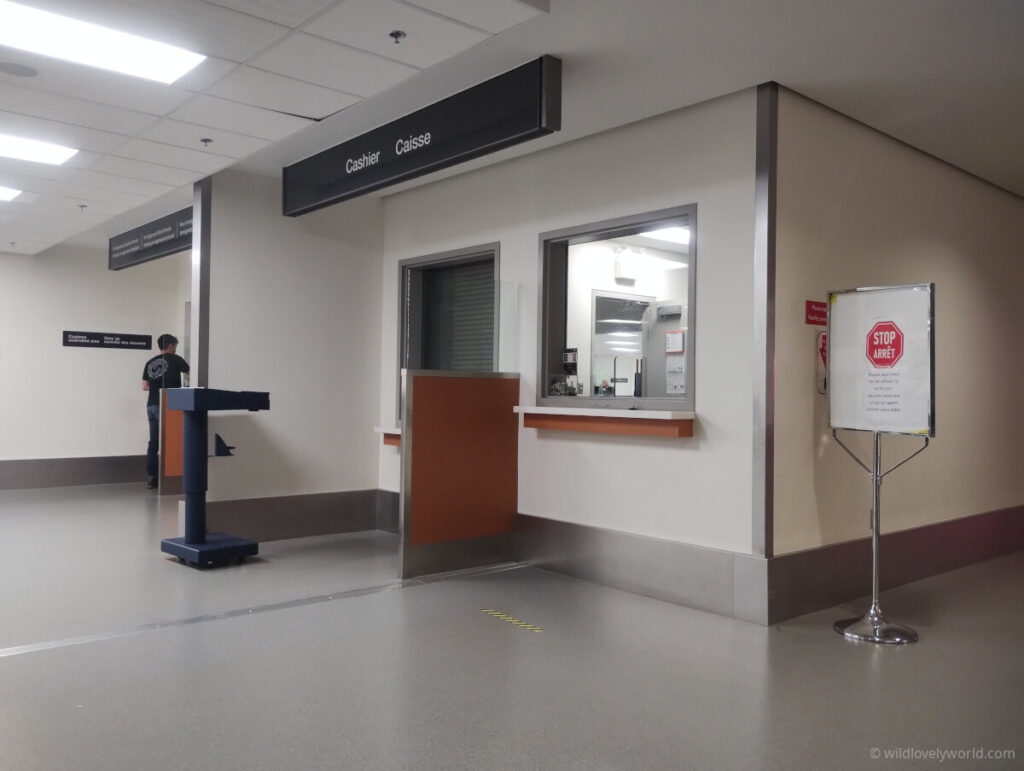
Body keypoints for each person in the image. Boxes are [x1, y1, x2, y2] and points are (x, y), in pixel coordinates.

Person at [142, 334, 189, 489]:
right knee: (173, 440)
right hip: (169, 404)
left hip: (152, 405)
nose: (175, 349)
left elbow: (144, 386)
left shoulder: (150, 362)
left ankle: (152, 478)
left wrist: (156, 388)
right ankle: (172, 478)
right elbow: (190, 374)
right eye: (175, 346)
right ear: (170, 345)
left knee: (154, 442)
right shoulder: (176, 359)